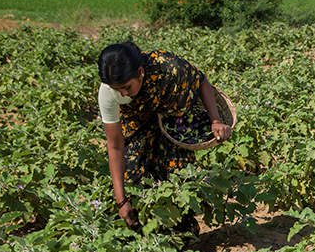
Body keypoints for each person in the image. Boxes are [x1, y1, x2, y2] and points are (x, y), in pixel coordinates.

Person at [97, 42, 233, 232]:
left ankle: (181, 239)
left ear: (140, 72)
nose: (123, 93)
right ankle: (136, 238)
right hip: (137, 123)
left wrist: (215, 120)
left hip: (174, 119)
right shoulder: (107, 94)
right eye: (116, 89)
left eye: (127, 87)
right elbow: (115, 146)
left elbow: (200, 81)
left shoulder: (168, 67)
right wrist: (121, 202)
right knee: (131, 180)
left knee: (176, 182)